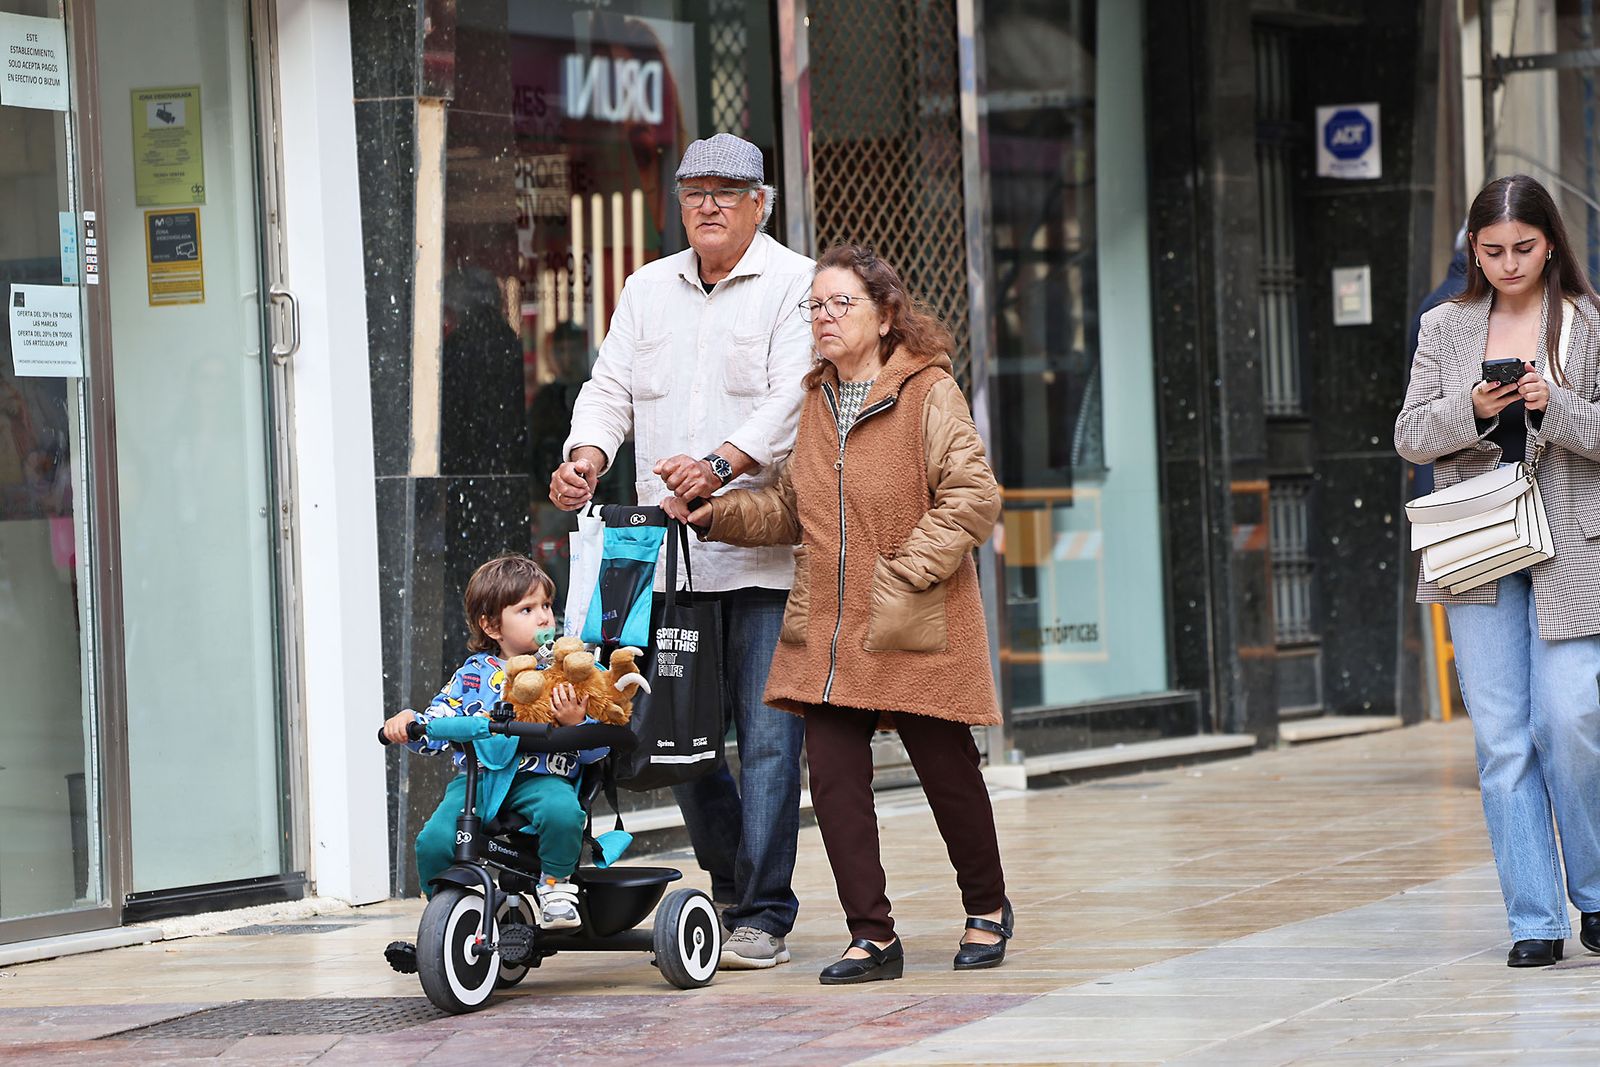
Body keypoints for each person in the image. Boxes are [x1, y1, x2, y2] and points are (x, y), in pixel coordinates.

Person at [666, 244, 1013, 983]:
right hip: (826, 626)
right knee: (832, 777)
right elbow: (795, 509)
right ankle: (872, 933)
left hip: (911, 618)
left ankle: (986, 906)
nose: (822, 318)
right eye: (814, 306)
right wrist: (715, 516)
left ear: (885, 315)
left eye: (839, 304)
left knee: (946, 770)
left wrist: (906, 572)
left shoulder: (928, 393)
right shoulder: (815, 400)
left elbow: (974, 495)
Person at [549, 133, 815, 969]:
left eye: (727, 193)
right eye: (695, 189)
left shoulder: (795, 283)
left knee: (770, 740)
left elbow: (788, 402)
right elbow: (610, 388)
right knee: (680, 736)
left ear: (760, 203)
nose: (707, 204)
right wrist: (586, 456)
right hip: (668, 559)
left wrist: (719, 465)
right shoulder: (645, 288)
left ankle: (765, 911)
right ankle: (734, 883)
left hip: (763, 555)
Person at [1396, 173, 1600, 968]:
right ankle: (1534, 918)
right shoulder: (1444, 326)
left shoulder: (1587, 322)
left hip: (1575, 544)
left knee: (1571, 717)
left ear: (1549, 241)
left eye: (1523, 247)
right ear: (1473, 250)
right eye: (1492, 250)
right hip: (1477, 543)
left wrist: (1555, 406)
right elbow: (1412, 433)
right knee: (1502, 739)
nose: (1509, 263)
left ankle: (1594, 888)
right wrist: (1475, 411)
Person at [381, 555, 608, 943]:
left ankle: (555, 884)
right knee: (433, 840)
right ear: (491, 625)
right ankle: (447, 918)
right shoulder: (473, 674)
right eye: (527, 609)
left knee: (563, 812)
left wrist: (576, 724)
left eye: (546, 607)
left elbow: (598, 750)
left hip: (541, 776)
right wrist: (408, 723)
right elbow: (438, 721)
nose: (543, 619)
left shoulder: (564, 671)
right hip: (479, 778)